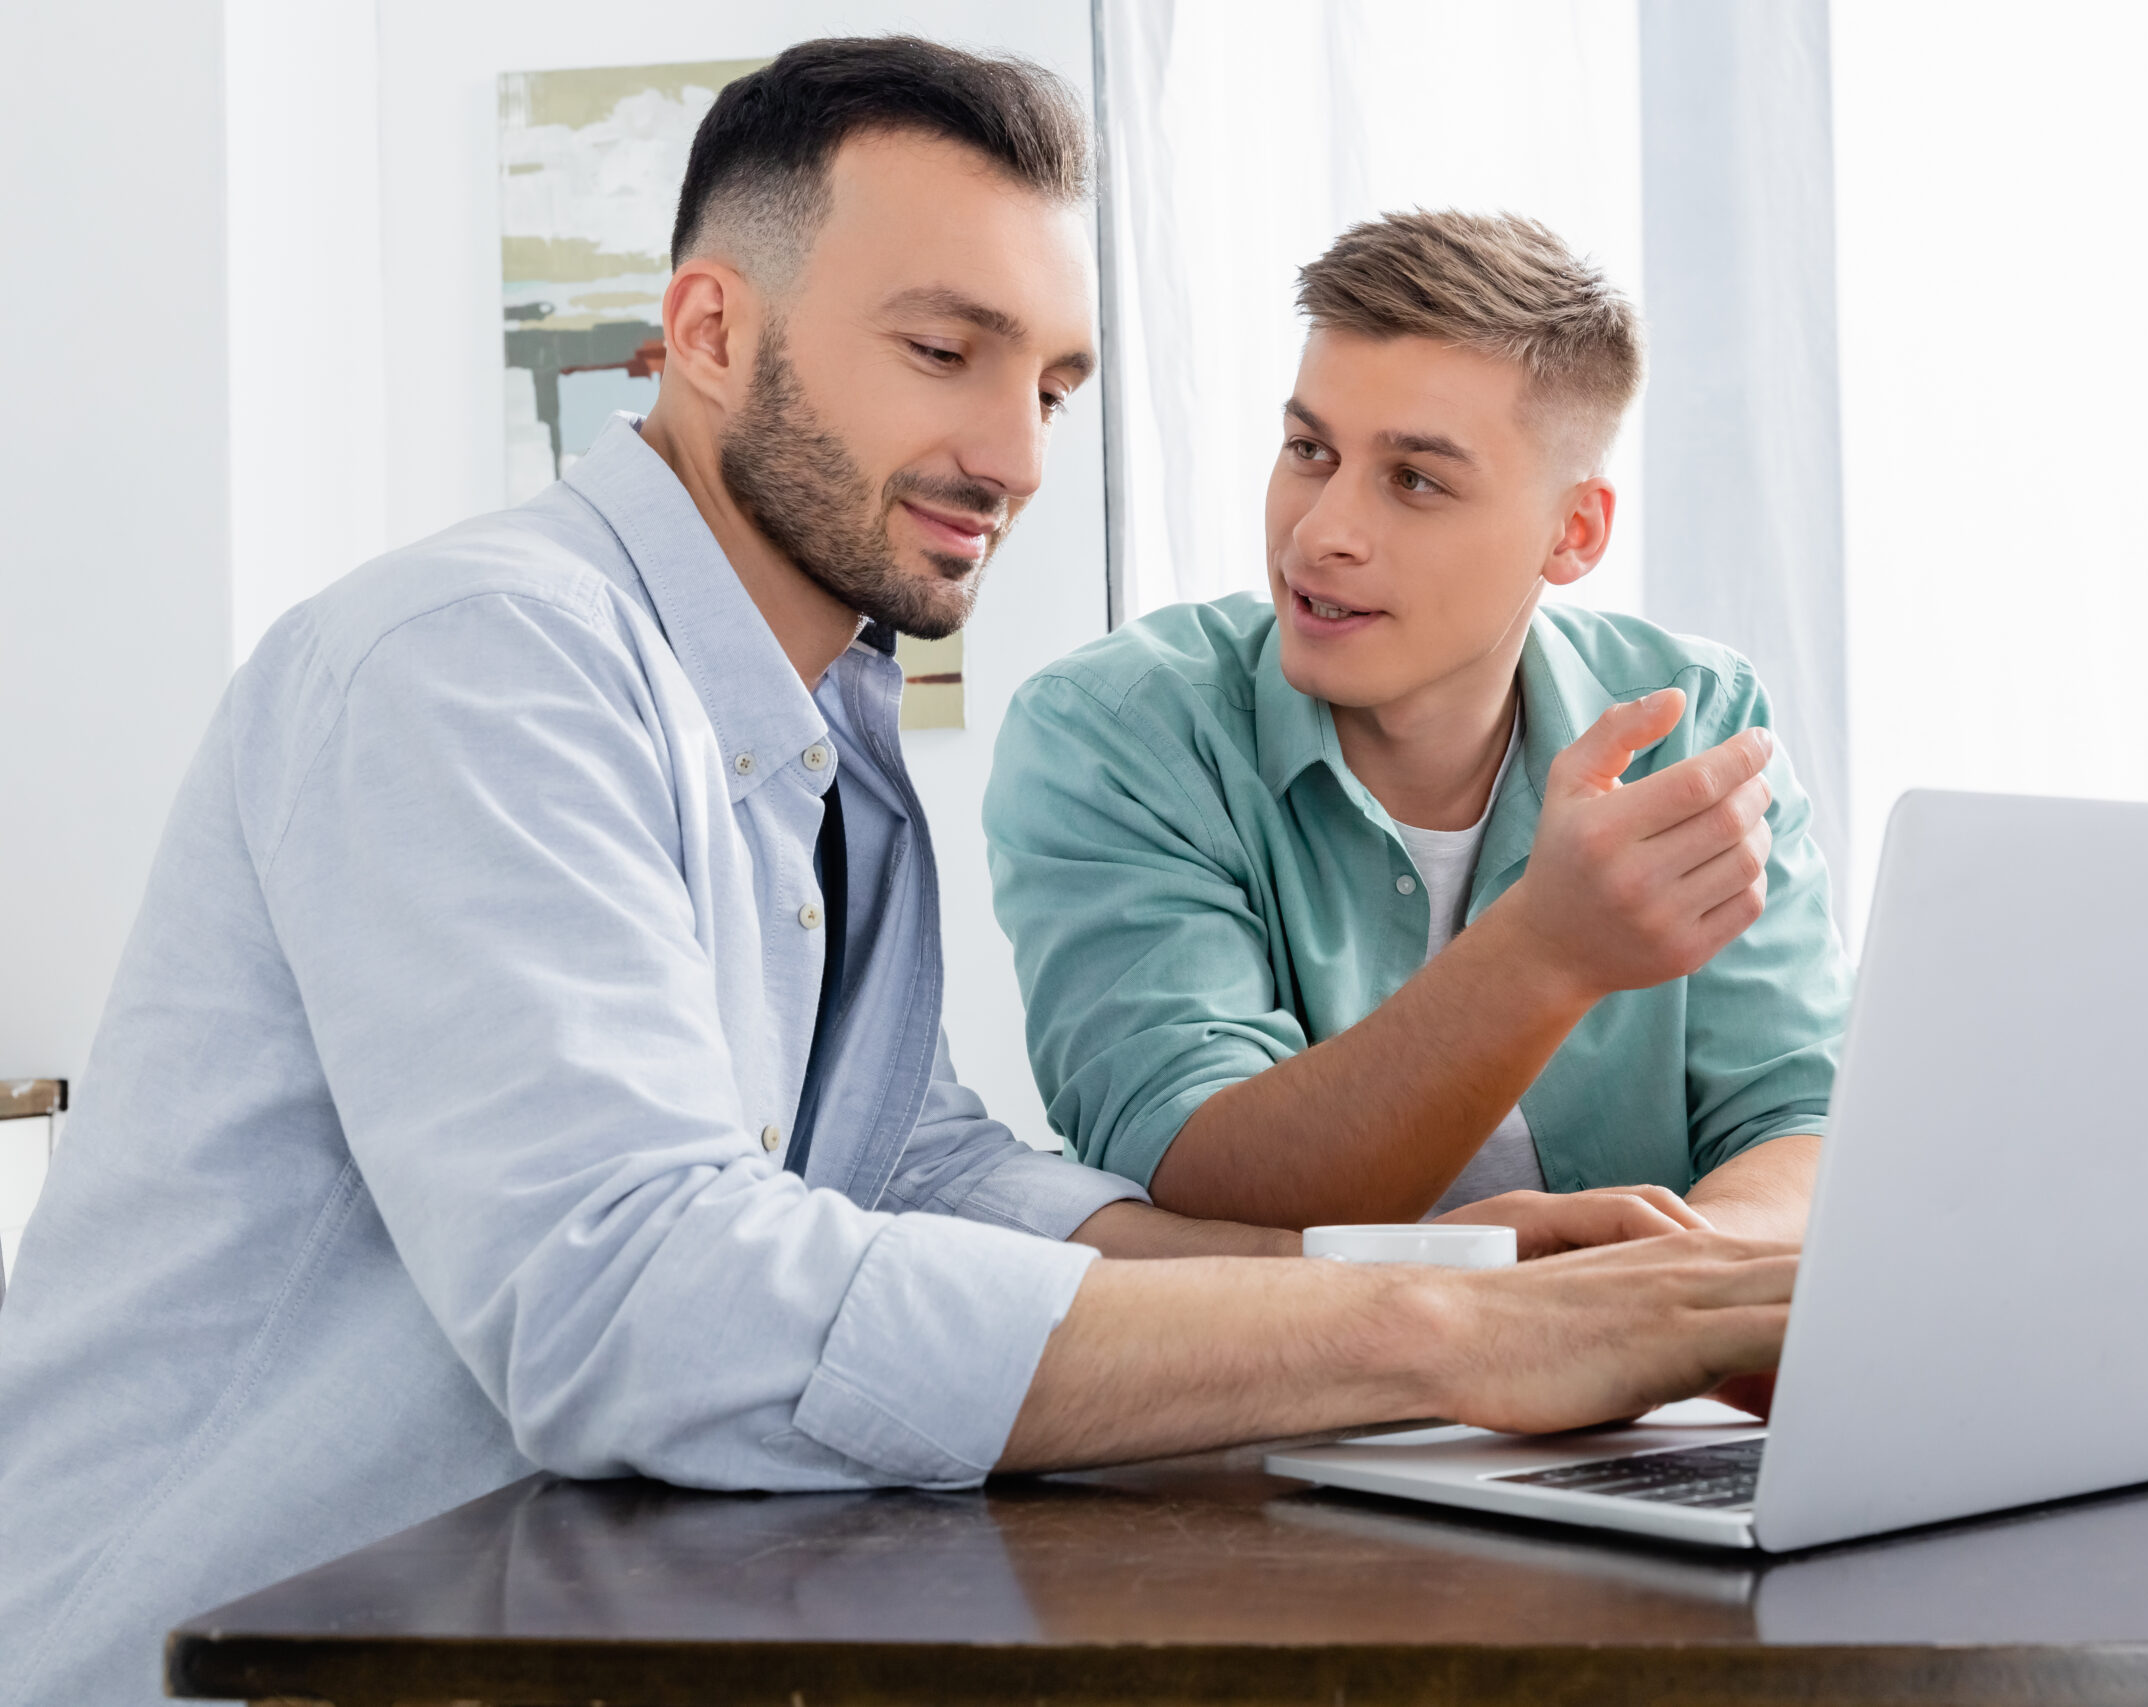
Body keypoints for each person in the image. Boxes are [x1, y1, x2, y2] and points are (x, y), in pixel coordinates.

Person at [0, 38, 1794, 1707]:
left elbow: (918, 1166)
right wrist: (1429, 1330)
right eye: (945, 353)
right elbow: (642, 1297)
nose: (1013, 456)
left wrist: (1438, 1269)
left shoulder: (816, 731)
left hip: (543, 1633)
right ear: (709, 328)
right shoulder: (479, 657)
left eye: (1053, 382)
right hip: (203, 1662)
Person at [985, 212, 1854, 1237]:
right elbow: (1195, 1165)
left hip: (1659, 1395)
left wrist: (1665, 1293)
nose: (1319, 533)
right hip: (1301, 1397)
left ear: (1571, 533)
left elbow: (1802, 1122)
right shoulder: (1116, 735)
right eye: (1309, 449)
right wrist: (1545, 951)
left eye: (1413, 480)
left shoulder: (1695, 720)